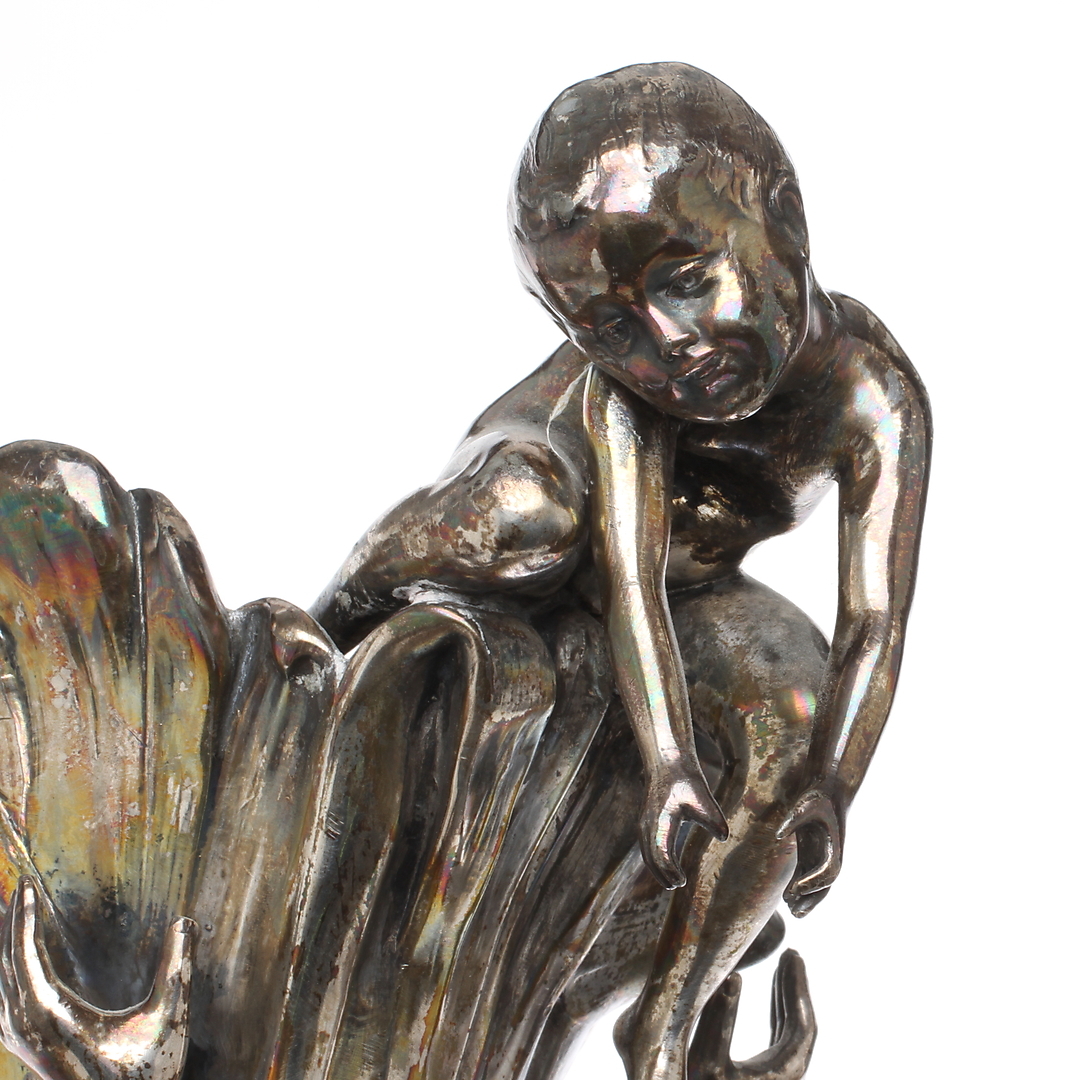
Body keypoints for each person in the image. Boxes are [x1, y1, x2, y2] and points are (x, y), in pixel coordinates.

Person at [311, 62, 929, 1080]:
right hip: (561, 510)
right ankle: (339, 609)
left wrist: (833, 783)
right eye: (607, 329)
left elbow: (875, 621)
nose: (667, 347)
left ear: (782, 222)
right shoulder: (622, 400)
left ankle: (665, 1030)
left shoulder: (876, 397)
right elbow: (628, 580)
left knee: (798, 706)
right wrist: (671, 759)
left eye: (687, 280)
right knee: (531, 519)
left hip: (693, 586)